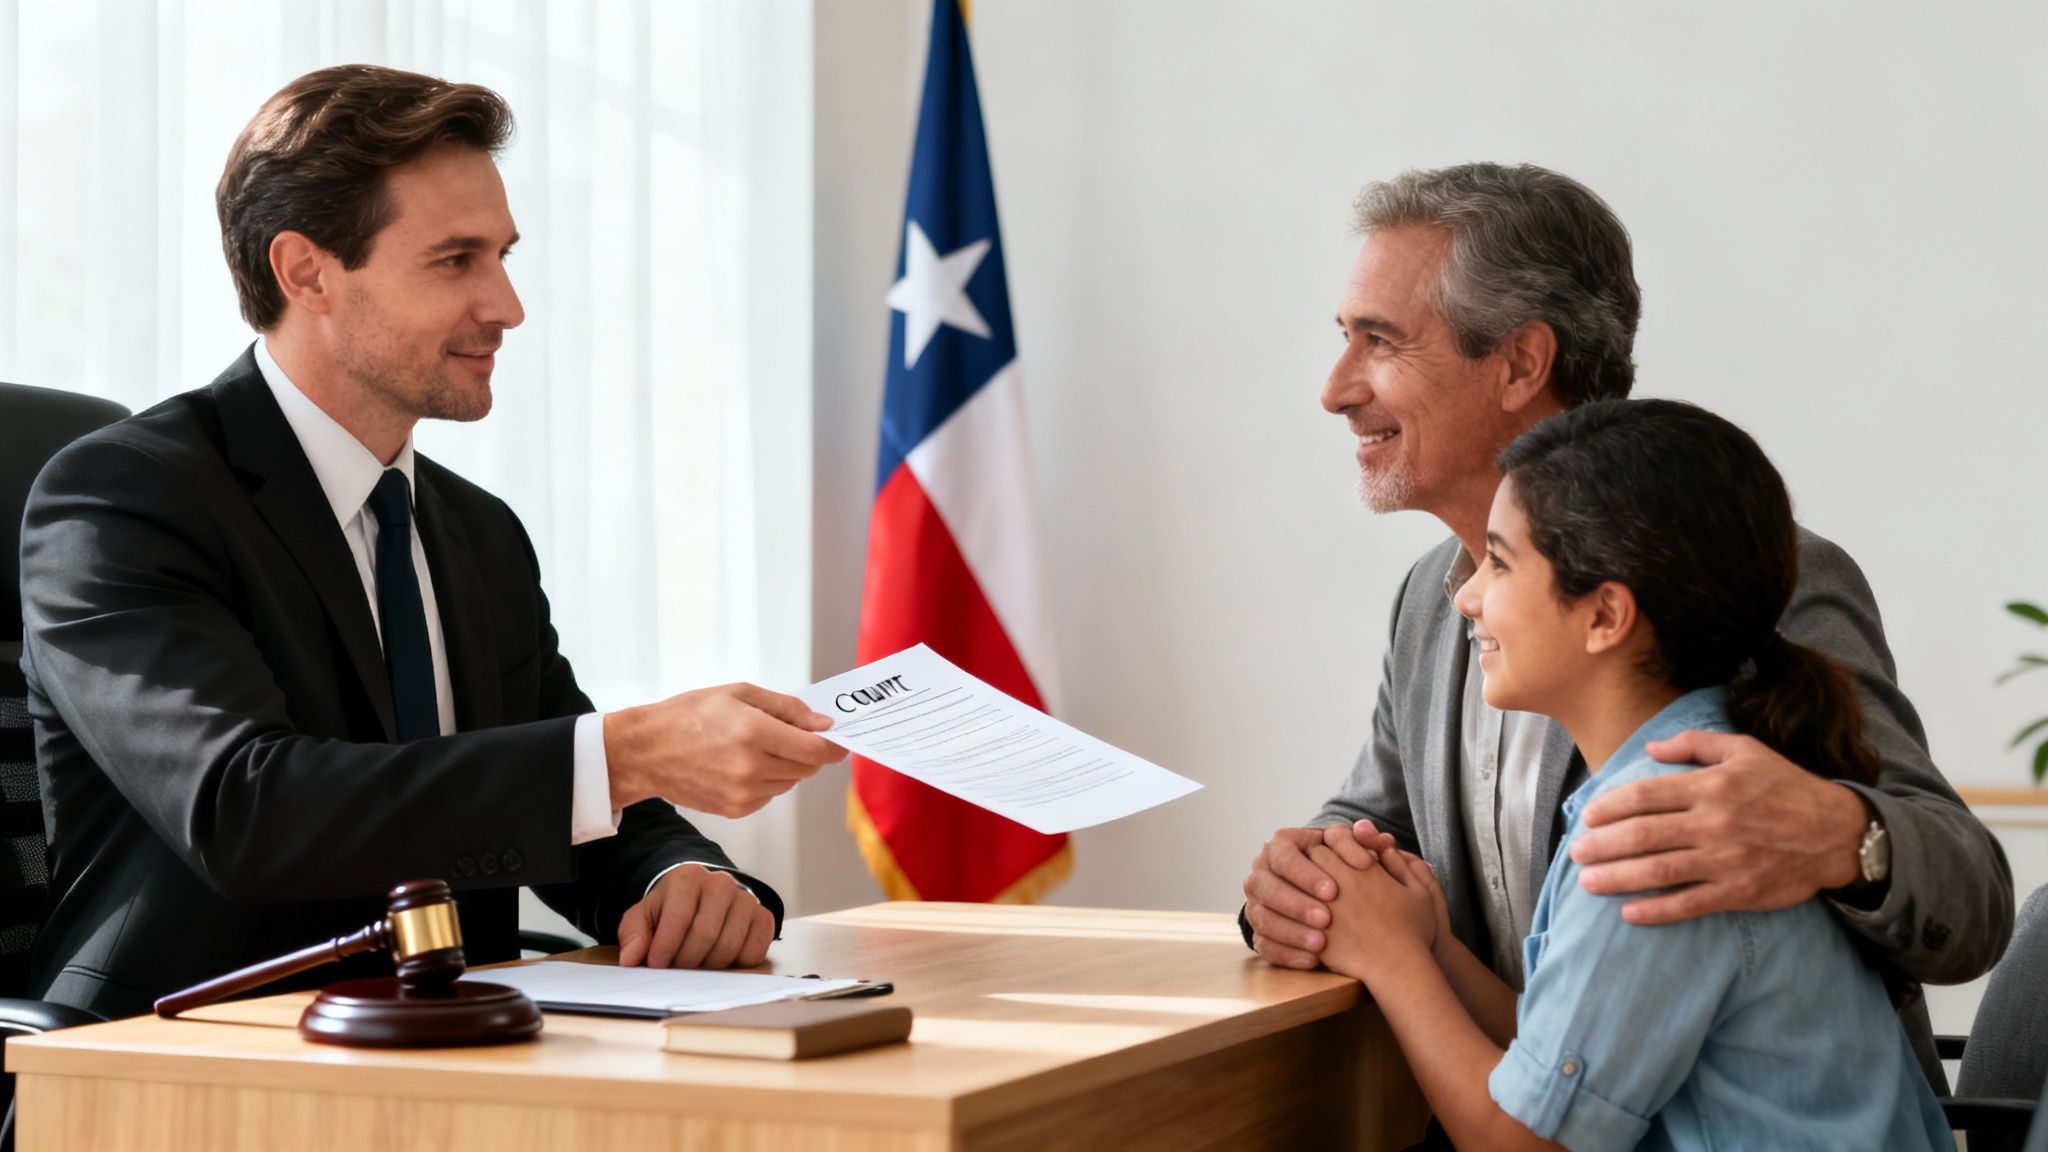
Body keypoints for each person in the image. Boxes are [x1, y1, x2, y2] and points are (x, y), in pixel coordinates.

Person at [17, 65, 840, 1020]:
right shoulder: (123, 498)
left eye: (503, 255)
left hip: (453, 1040)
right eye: (456, 261)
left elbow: (546, 776)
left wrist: (678, 872)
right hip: (185, 1046)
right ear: (306, 271)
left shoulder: (476, 531)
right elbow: (246, 813)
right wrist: (625, 752)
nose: (507, 305)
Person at [1240, 163, 2011, 1071]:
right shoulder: (1428, 600)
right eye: (1345, 337)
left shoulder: (1766, 578)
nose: (1335, 389)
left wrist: (1838, 835)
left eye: (1379, 341)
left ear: (1522, 363)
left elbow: (1975, 900)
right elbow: (1378, 830)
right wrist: (1301, 880)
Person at [1307, 398, 1952, 1150]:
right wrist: (1433, 948)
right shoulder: (1680, 769)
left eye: (1501, 563)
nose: (1471, 596)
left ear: (1605, 616)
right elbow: (1570, 1055)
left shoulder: (1664, 824)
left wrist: (1390, 961)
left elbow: (1524, 1143)